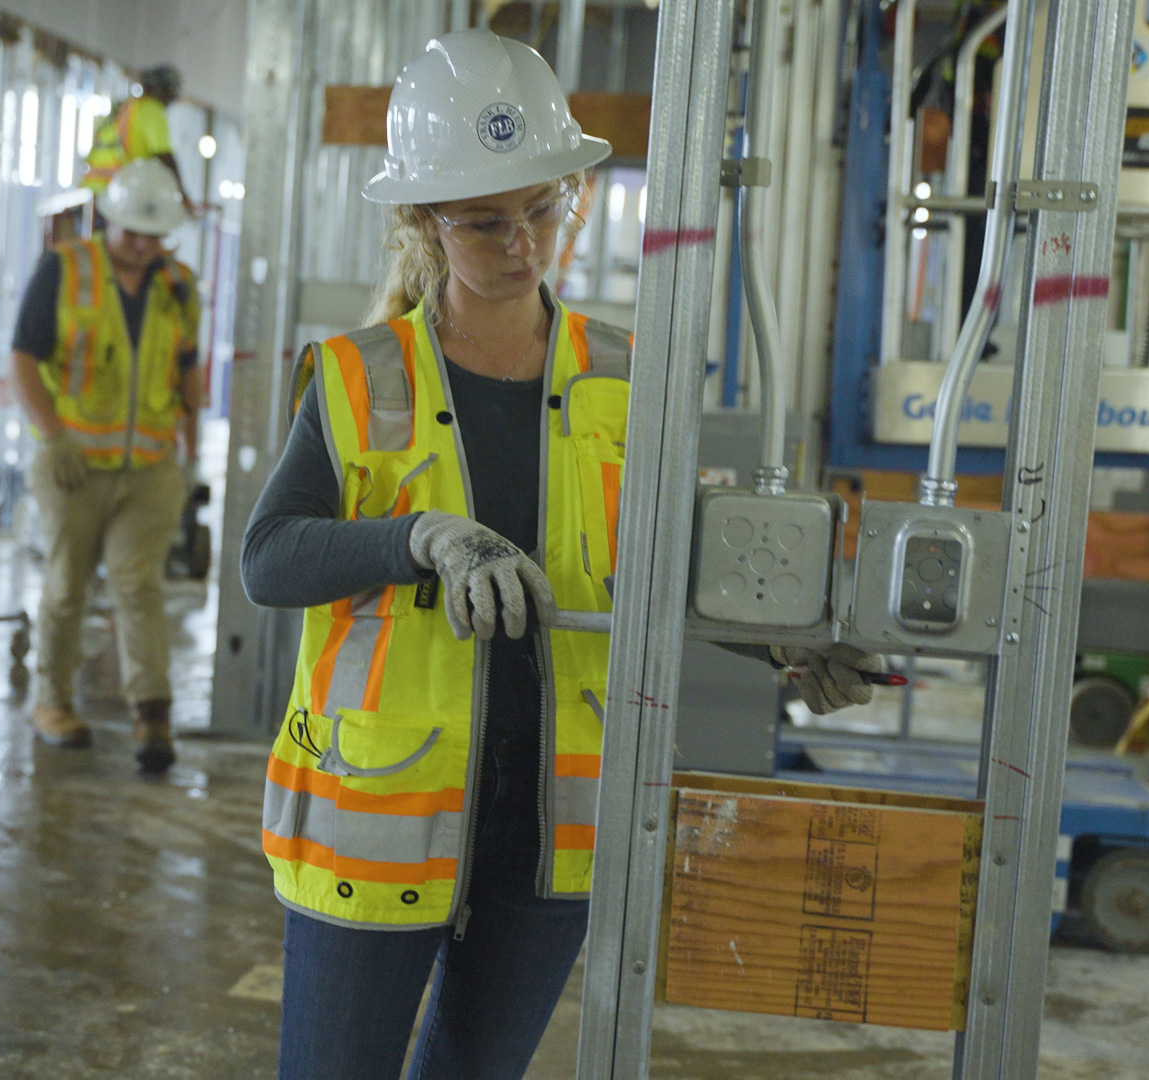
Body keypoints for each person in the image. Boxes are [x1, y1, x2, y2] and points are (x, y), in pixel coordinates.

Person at [239, 30, 881, 1080]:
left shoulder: (626, 376)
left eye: (545, 207)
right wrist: (418, 539)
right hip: (379, 816)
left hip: (554, 830)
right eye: (485, 220)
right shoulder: (358, 376)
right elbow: (269, 561)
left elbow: (672, 568)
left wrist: (791, 647)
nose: (522, 242)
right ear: (420, 220)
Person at [10, 158, 204, 773]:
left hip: (149, 467)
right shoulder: (64, 271)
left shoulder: (178, 285)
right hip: (74, 467)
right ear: (108, 219)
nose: (143, 245)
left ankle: (152, 713)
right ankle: (53, 703)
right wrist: (55, 436)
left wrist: (190, 446)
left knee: (138, 584)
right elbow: (22, 358)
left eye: (155, 236)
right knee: (68, 584)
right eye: (131, 233)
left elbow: (187, 368)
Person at [83, 65, 197, 216]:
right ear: (164, 90)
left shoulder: (124, 107)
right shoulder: (152, 110)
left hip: (95, 188)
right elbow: (165, 157)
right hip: (120, 192)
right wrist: (183, 196)